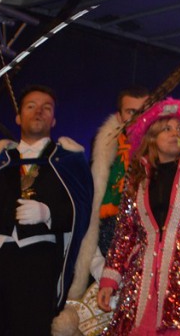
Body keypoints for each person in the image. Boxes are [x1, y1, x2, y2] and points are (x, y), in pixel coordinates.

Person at [96, 98, 180, 335]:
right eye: (167, 128)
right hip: (143, 280)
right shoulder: (137, 175)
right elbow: (125, 231)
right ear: (152, 137)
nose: (175, 133)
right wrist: (110, 279)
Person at [0, 84, 92, 336]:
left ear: (53, 120)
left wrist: (49, 213)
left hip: (38, 263)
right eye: (31, 106)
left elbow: (81, 211)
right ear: (18, 117)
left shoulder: (67, 161)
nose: (38, 112)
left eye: (46, 108)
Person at [69, 85, 150, 301]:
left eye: (143, 111)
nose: (137, 117)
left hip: (147, 257)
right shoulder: (104, 156)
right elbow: (87, 210)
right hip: (104, 250)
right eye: (131, 111)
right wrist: (96, 261)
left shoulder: (162, 158)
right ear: (119, 115)